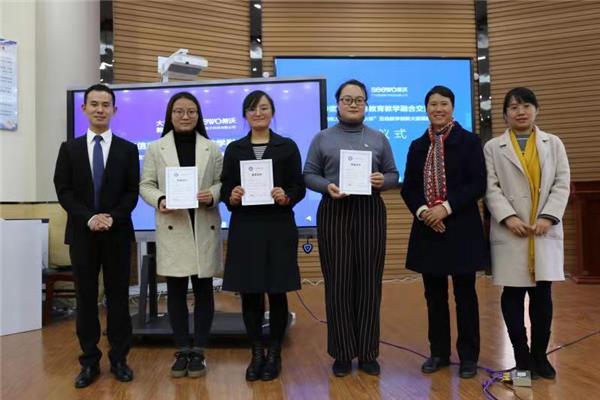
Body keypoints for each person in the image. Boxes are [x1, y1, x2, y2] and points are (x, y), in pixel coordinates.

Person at [304, 79, 399, 377]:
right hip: (335, 210)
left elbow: (393, 174)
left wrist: (384, 180)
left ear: (366, 104)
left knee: (369, 282)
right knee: (338, 282)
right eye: (347, 99)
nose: (353, 104)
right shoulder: (322, 138)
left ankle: (368, 352)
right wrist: (326, 186)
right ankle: (343, 352)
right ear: (338, 104)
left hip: (370, 211)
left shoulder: (379, 138)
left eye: (359, 99)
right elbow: (309, 174)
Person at [54, 83, 139, 388]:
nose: (100, 109)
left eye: (106, 105)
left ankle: (119, 359)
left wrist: (111, 218)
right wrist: (89, 217)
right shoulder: (69, 149)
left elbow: (131, 192)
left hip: (117, 235)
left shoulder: (128, 149)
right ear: (84, 109)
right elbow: (64, 191)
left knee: (118, 300)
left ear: (114, 110)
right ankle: (89, 361)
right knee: (86, 299)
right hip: (82, 234)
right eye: (94, 104)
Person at [400, 85, 487, 379]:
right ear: (426, 109)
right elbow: (409, 187)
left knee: (465, 295)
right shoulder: (417, 145)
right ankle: (438, 353)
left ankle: (469, 357)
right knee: (434, 296)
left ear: (452, 107)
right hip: (429, 230)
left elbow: (478, 183)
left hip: (461, 228)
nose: (438, 109)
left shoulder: (469, 141)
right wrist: (424, 211)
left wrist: (445, 208)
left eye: (444, 104)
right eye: (433, 104)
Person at [484, 87, 570, 379]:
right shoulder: (493, 147)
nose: (520, 112)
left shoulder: (553, 143)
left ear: (536, 110)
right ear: (505, 114)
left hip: (543, 230)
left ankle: (540, 357)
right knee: (512, 293)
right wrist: (508, 217)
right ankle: (521, 358)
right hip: (511, 231)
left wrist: (548, 217)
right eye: (513, 107)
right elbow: (490, 187)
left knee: (542, 294)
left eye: (526, 106)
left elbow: (562, 183)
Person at [220, 90, 306, 381]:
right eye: (252, 109)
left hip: (278, 226)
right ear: (245, 115)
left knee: (277, 291)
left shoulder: (287, 146)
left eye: (264, 108)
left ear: (272, 112)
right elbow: (225, 186)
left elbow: (298, 186)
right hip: (246, 228)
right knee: (250, 293)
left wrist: (287, 195)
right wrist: (231, 195)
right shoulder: (235, 149)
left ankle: (275, 353)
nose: (258, 113)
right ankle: (256, 353)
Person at [139, 92, 223, 378]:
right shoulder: (156, 148)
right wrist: (160, 199)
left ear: (198, 115)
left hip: (203, 223)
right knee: (175, 291)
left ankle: (198, 350)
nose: (185, 116)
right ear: (170, 115)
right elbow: (146, 184)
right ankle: (182, 348)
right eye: (179, 111)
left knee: (203, 291)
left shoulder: (211, 147)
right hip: (173, 224)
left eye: (191, 111)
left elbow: (222, 182)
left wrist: (212, 195)